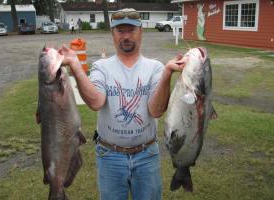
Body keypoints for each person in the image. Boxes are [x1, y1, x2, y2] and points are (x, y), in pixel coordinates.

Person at [59, 8, 184, 200]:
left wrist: (167, 73)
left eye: (131, 30)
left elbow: (156, 110)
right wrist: (75, 65)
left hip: (147, 155)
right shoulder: (101, 67)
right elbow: (96, 102)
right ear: (113, 34)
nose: (126, 36)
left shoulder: (155, 68)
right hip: (109, 156)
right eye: (120, 30)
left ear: (140, 32)